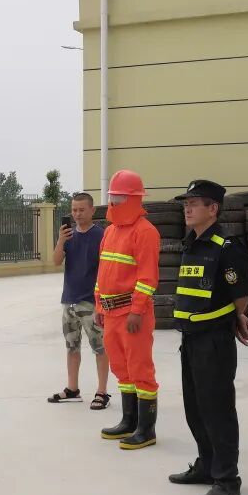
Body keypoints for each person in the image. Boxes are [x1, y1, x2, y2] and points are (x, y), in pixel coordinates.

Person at [166, 180, 248, 495]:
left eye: (194, 203)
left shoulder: (226, 247)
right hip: (190, 339)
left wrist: (232, 318)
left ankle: (227, 478)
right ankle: (206, 464)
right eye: (186, 204)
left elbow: (240, 294)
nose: (187, 209)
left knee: (218, 410)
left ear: (213, 208)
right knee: (195, 407)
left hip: (213, 341)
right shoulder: (191, 243)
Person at [94, 170, 161, 450]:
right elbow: (103, 272)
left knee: (140, 368)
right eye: (113, 197)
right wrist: (99, 303)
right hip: (110, 313)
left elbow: (148, 277)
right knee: (121, 368)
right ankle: (129, 420)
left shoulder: (145, 232)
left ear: (134, 199)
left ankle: (146, 429)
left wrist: (137, 310)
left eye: (120, 197)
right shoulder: (110, 231)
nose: (114, 202)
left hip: (133, 315)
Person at [48, 192, 110, 409]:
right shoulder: (69, 235)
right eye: (74, 210)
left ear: (92, 210)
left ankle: (102, 392)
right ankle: (72, 389)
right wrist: (60, 240)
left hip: (92, 301)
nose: (77, 214)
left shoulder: (102, 236)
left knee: (100, 348)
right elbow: (56, 261)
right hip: (69, 300)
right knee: (72, 347)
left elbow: (107, 269)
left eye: (82, 210)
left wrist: (101, 302)